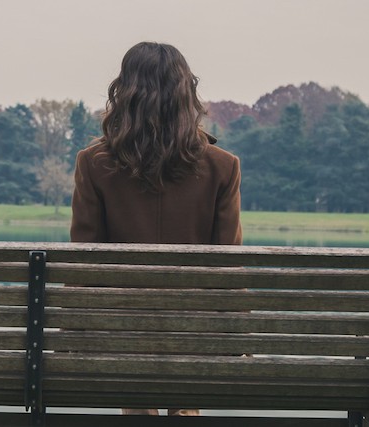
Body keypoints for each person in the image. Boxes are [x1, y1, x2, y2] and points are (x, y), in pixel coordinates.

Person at [69, 41, 242, 416]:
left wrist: (74, 336)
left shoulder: (93, 163)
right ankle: (185, 410)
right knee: (186, 381)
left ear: (125, 92)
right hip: (194, 338)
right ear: (186, 94)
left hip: (121, 334)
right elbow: (228, 269)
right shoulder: (223, 166)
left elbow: (82, 265)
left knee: (136, 391)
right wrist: (232, 339)